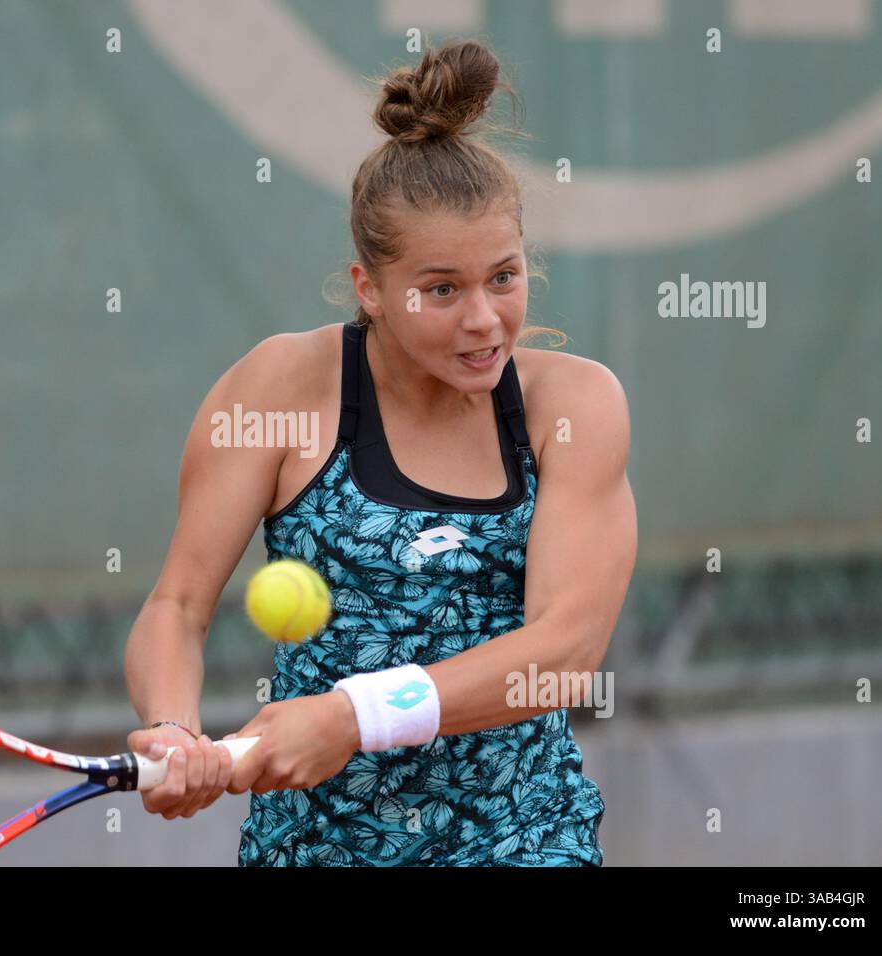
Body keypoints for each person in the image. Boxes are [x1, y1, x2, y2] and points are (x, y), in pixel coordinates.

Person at [123, 38, 636, 865]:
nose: (483, 319)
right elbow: (176, 609)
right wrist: (176, 730)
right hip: (314, 844)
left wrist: (352, 717)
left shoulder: (573, 407)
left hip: (526, 839)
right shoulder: (279, 389)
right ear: (371, 289)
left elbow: (565, 651)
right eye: (441, 289)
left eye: (503, 277)